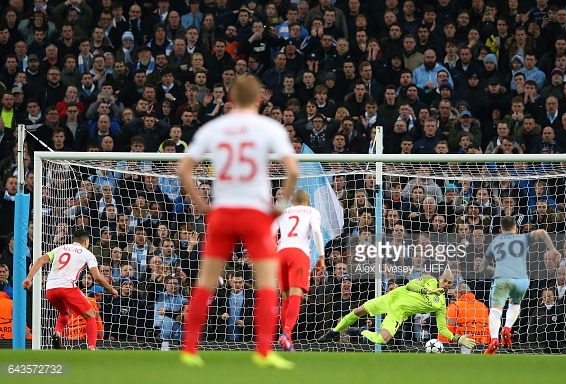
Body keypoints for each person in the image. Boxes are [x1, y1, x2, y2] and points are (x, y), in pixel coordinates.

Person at [178, 76, 299, 369]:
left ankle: (189, 349)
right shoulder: (270, 127)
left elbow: (183, 169)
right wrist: (280, 206)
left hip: (222, 212)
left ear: (231, 96)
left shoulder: (213, 127)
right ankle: (263, 352)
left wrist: (202, 204)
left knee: (205, 283)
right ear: (259, 98)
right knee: (265, 284)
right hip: (255, 213)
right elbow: (293, 169)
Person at [317, 270, 477, 350]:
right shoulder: (428, 279)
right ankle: (334, 331)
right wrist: (427, 291)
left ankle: (359, 331)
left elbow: (442, 328)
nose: (446, 284)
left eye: (450, 283)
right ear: (440, 278)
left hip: (398, 313)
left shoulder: (441, 304)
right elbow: (410, 285)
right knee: (359, 311)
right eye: (445, 281)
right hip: (391, 298)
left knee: (381, 340)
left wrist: (457, 339)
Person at [22, 230, 118, 350]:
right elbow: (97, 277)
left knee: (65, 313)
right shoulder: (87, 253)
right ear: (86, 241)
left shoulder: (59, 249)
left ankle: (57, 333)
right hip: (67, 287)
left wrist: (28, 278)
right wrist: (111, 289)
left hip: (50, 289)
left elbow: (40, 260)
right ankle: (92, 347)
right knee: (90, 316)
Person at [479, 216, 561, 354]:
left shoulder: (495, 241)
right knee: (515, 304)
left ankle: (494, 339)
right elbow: (541, 232)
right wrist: (552, 249)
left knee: (495, 310)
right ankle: (508, 328)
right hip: (522, 280)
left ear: (500, 230)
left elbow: (482, 268)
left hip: (502, 278)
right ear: (516, 229)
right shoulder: (523, 237)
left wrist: (494, 270)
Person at [276, 189, 325, 352]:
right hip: (299, 253)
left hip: (281, 252)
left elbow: (270, 232)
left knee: (285, 298)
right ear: (308, 201)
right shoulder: (312, 211)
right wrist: (322, 256)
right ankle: (286, 332)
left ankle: (287, 339)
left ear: (292, 202)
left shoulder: (283, 212)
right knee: (296, 295)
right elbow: (317, 231)